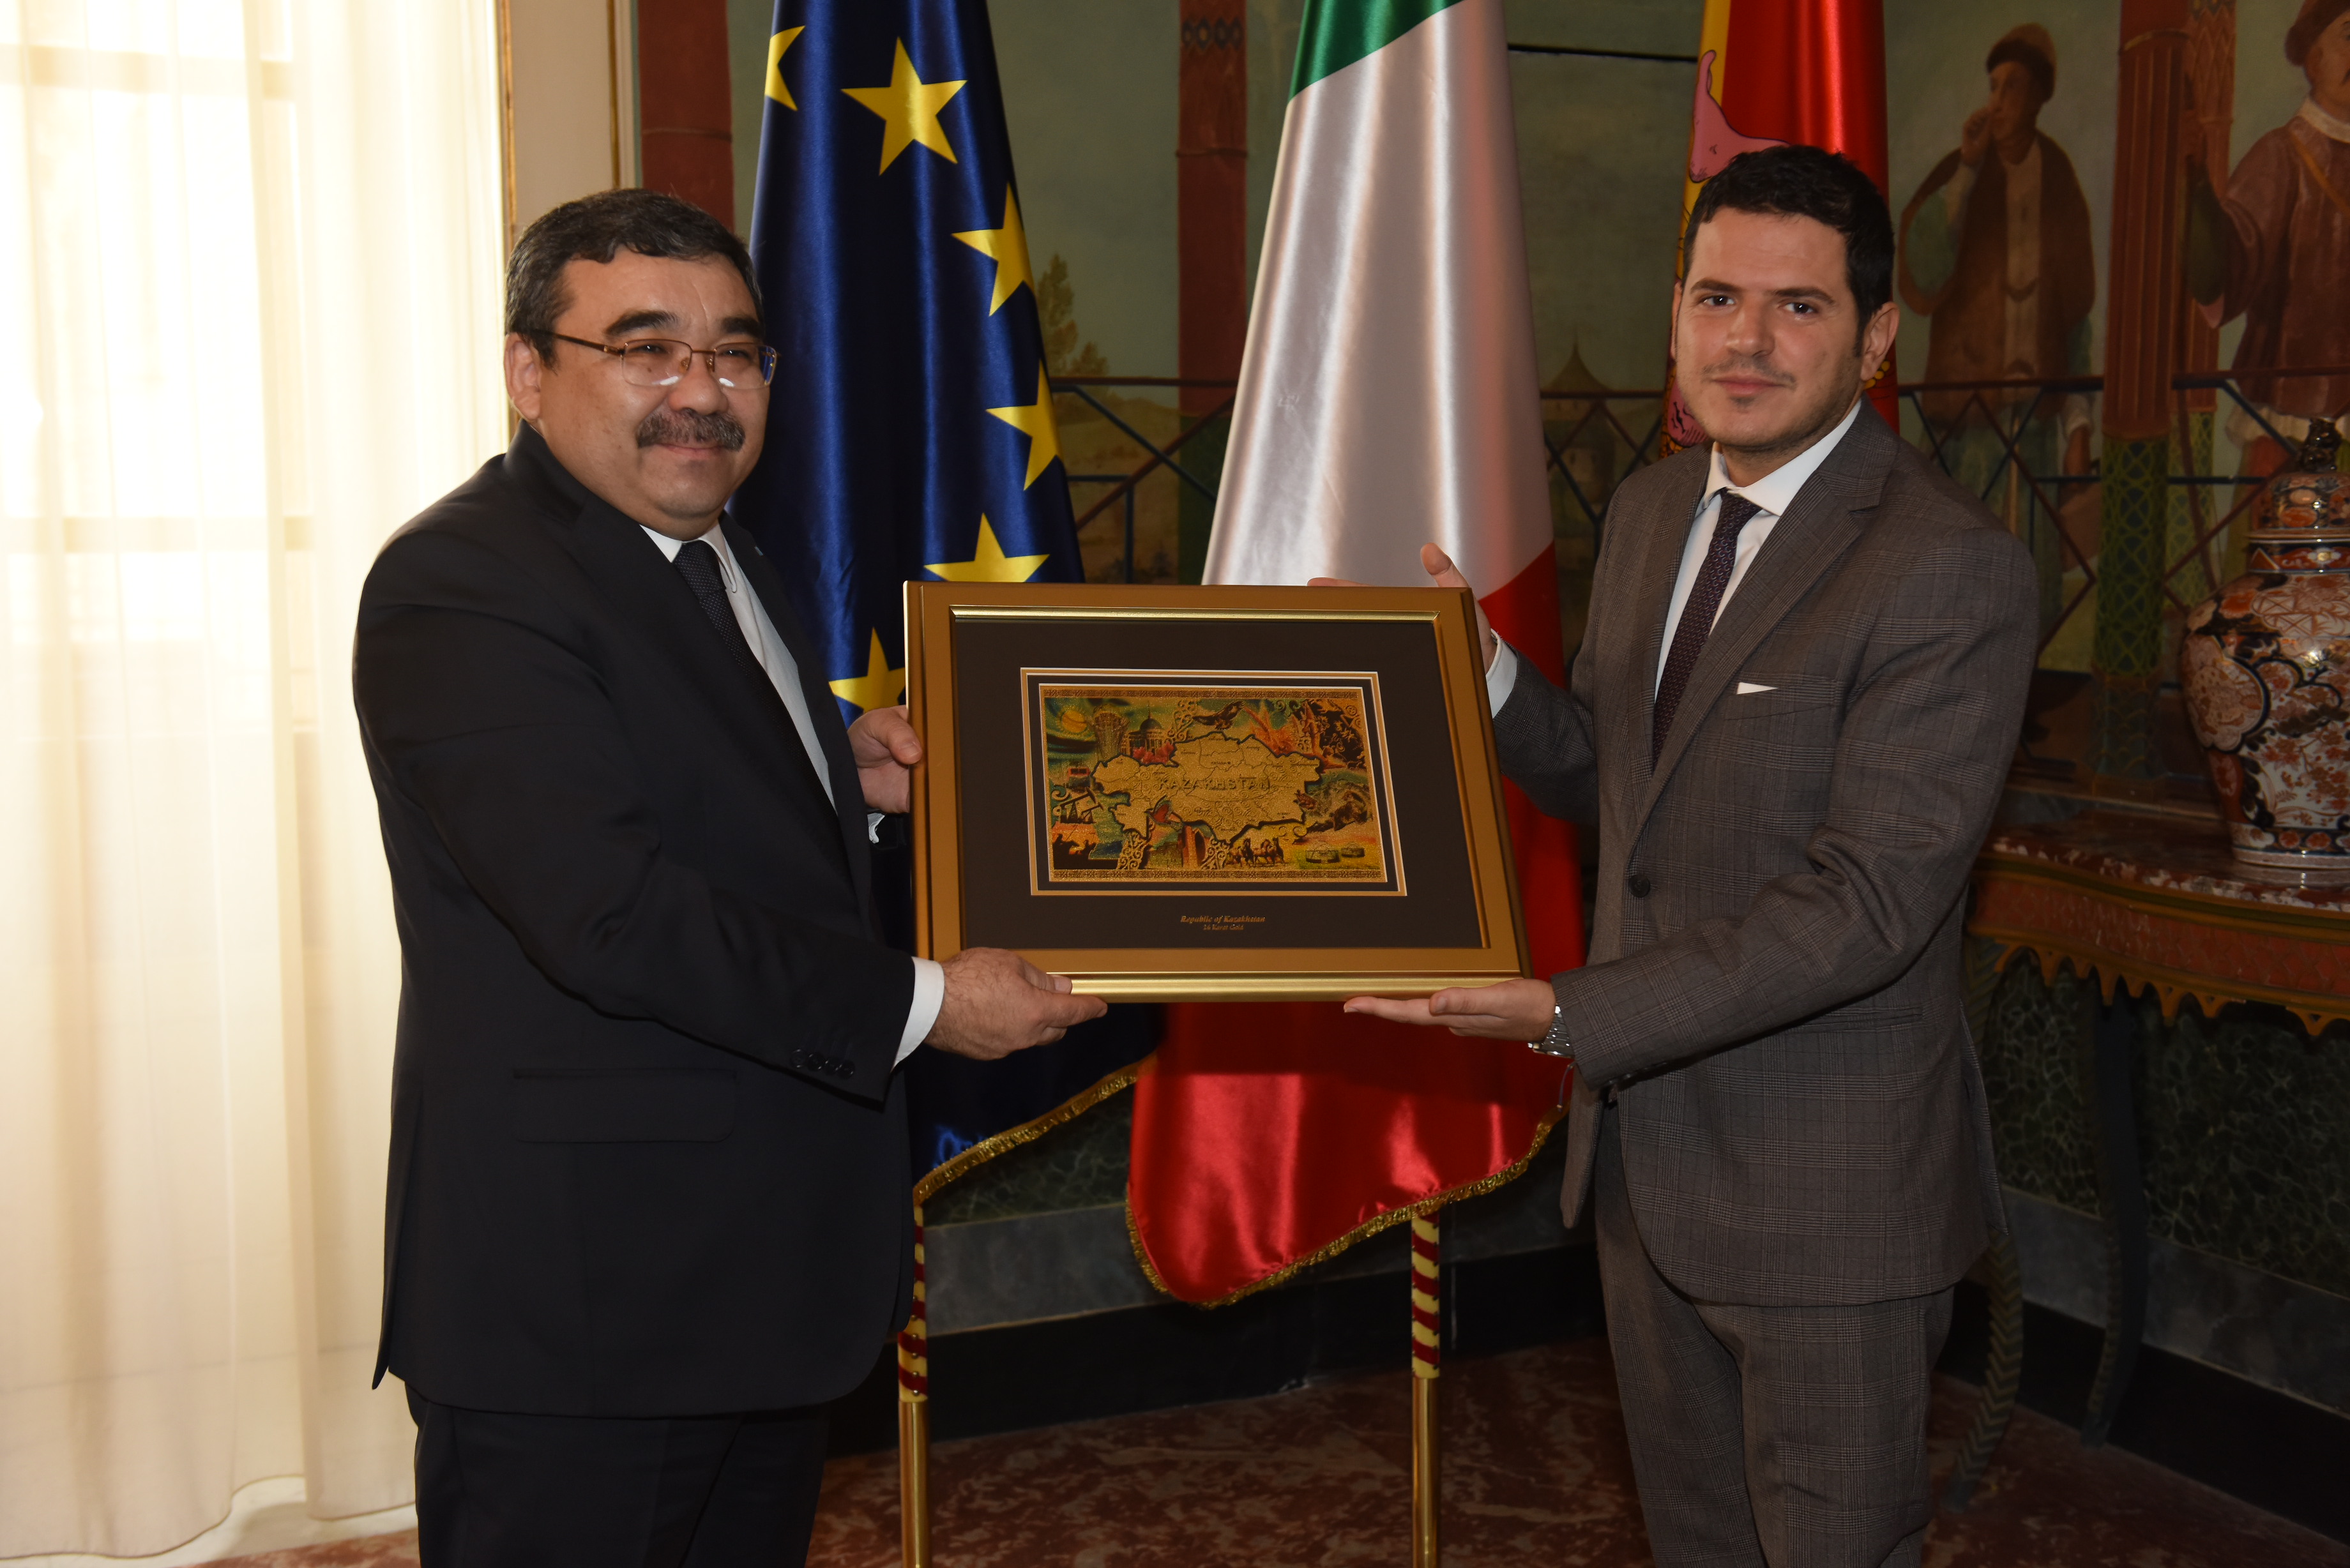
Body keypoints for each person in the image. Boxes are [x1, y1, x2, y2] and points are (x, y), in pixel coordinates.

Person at [351, 189, 1103, 1567]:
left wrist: (838, 779)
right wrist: (929, 1003)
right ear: (528, 370)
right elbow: (612, 914)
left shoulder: (715, 548)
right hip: (590, 1310)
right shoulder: (463, 582)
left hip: (756, 1281)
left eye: (736, 353)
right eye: (646, 348)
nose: (701, 393)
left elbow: (680, 783)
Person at [1344, 146, 2035, 1567]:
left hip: (1828, 1199)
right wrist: (1477, 670)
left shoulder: (1947, 564)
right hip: (1646, 1173)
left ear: (1876, 337)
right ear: (1674, 316)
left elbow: (1867, 906)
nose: (1746, 340)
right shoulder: (1656, 512)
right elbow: (1620, 786)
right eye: (1718, 298)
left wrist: (1567, 1011)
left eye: (1798, 307)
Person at [1897, 22, 2096, 635]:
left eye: (2014, 87)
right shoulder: (1961, 172)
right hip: (1968, 418)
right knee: (1954, 574)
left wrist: (2079, 425)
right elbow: (1923, 272)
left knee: (2028, 581)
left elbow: (2074, 313)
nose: (1999, 100)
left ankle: (2023, 680)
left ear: (2039, 96)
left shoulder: (2058, 178)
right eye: (1994, 86)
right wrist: (1965, 171)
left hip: (2032, 423)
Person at [2188, 0, 2350, 486]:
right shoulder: (2281, 157)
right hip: (2295, 426)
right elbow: (2227, 267)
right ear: (2313, 59)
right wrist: (2195, 190)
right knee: (2291, 531)